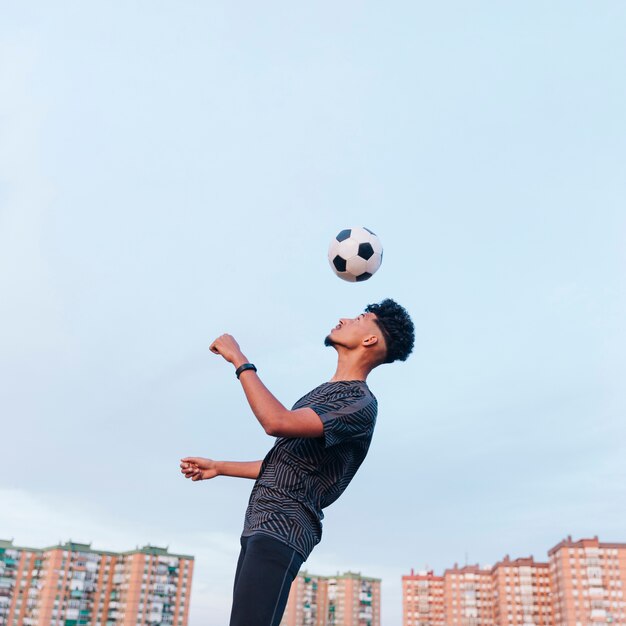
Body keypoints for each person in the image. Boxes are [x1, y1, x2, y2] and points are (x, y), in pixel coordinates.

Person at [180, 298, 415, 626]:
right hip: (260, 523)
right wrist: (220, 467)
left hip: (285, 527)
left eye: (359, 317)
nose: (344, 318)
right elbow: (286, 466)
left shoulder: (360, 403)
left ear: (370, 339)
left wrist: (240, 360)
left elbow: (275, 422)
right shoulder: (326, 391)